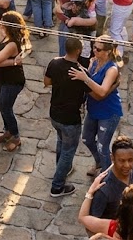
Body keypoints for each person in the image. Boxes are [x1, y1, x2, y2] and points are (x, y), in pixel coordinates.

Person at [69, 34, 122, 176]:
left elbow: (102, 91)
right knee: (86, 138)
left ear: (108, 51)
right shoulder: (94, 62)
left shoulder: (112, 69)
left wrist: (85, 79)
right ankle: (100, 162)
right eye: (94, 47)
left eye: (98, 49)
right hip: (93, 109)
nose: (94, 51)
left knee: (102, 146)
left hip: (108, 112)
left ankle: (107, 177)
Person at [45, 37, 91, 197]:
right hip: (70, 118)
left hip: (55, 114)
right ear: (78, 51)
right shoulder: (81, 73)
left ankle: (61, 168)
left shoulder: (54, 63)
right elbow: (95, 94)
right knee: (68, 151)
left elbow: (47, 81)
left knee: (60, 142)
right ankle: (57, 186)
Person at [0, 11, 28, 152]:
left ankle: (16, 136)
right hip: (5, 78)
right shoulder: (8, 37)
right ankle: (8, 130)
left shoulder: (13, 44)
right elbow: (1, 40)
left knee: (6, 107)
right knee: (0, 101)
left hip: (13, 80)